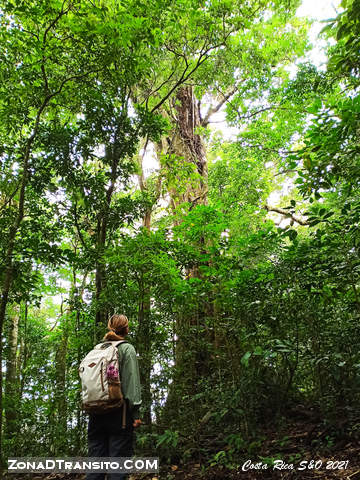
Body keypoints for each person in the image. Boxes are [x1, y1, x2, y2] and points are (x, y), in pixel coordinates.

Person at [86, 314, 142, 480]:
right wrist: (136, 413)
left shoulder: (98, 348)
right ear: (126, 329)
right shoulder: (126, 348)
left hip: (96, 410)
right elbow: (131, 383)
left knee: (95, 462)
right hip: (119, 412)